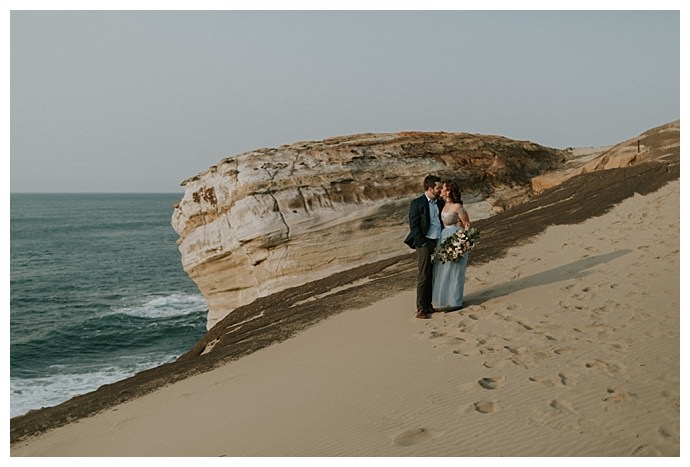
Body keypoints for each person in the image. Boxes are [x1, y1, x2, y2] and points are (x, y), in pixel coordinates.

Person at [404, 175, 444, 319]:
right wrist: (423, 243)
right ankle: (421, 308)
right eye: (438, 187)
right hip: (425, 243)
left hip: (439, 240)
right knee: (423, 275)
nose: (440, 190)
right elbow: (414, 226)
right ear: (430, 188)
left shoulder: (440, 202)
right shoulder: (417, 203)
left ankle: (429, 306)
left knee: (433, 274)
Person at [432, 179, 471, 311]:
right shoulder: (443, 204)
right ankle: (443, 300)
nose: (441, 190)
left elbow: (467, 224)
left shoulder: (457, 207)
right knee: (443, 269)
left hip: (454, 239)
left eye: (443, 188)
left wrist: (461, 241)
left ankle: (455, 301)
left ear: (448, 191)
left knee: (454, 270)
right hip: (444, 238)